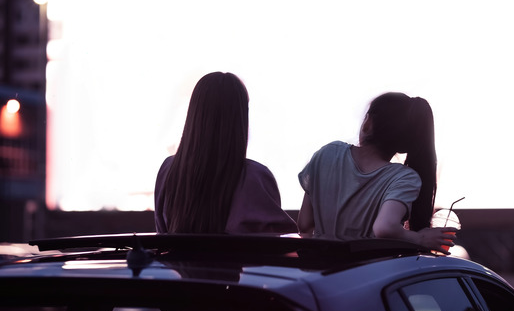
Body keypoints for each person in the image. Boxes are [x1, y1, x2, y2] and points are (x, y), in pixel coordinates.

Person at [297, 92, 457, 253]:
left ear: (367, 123)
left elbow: (304, 224)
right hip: (371, 273)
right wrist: (420, 239)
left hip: (319, 269)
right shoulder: (403, 178)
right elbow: (384, 228)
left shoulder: (327, 154)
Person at [154, 72, 296, 234]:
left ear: (194, 113)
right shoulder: (256, 177)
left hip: (177, 260)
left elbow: (162, 235)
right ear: (240, 117)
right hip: (239, 260)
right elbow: (277, 243)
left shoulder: (168, 170)